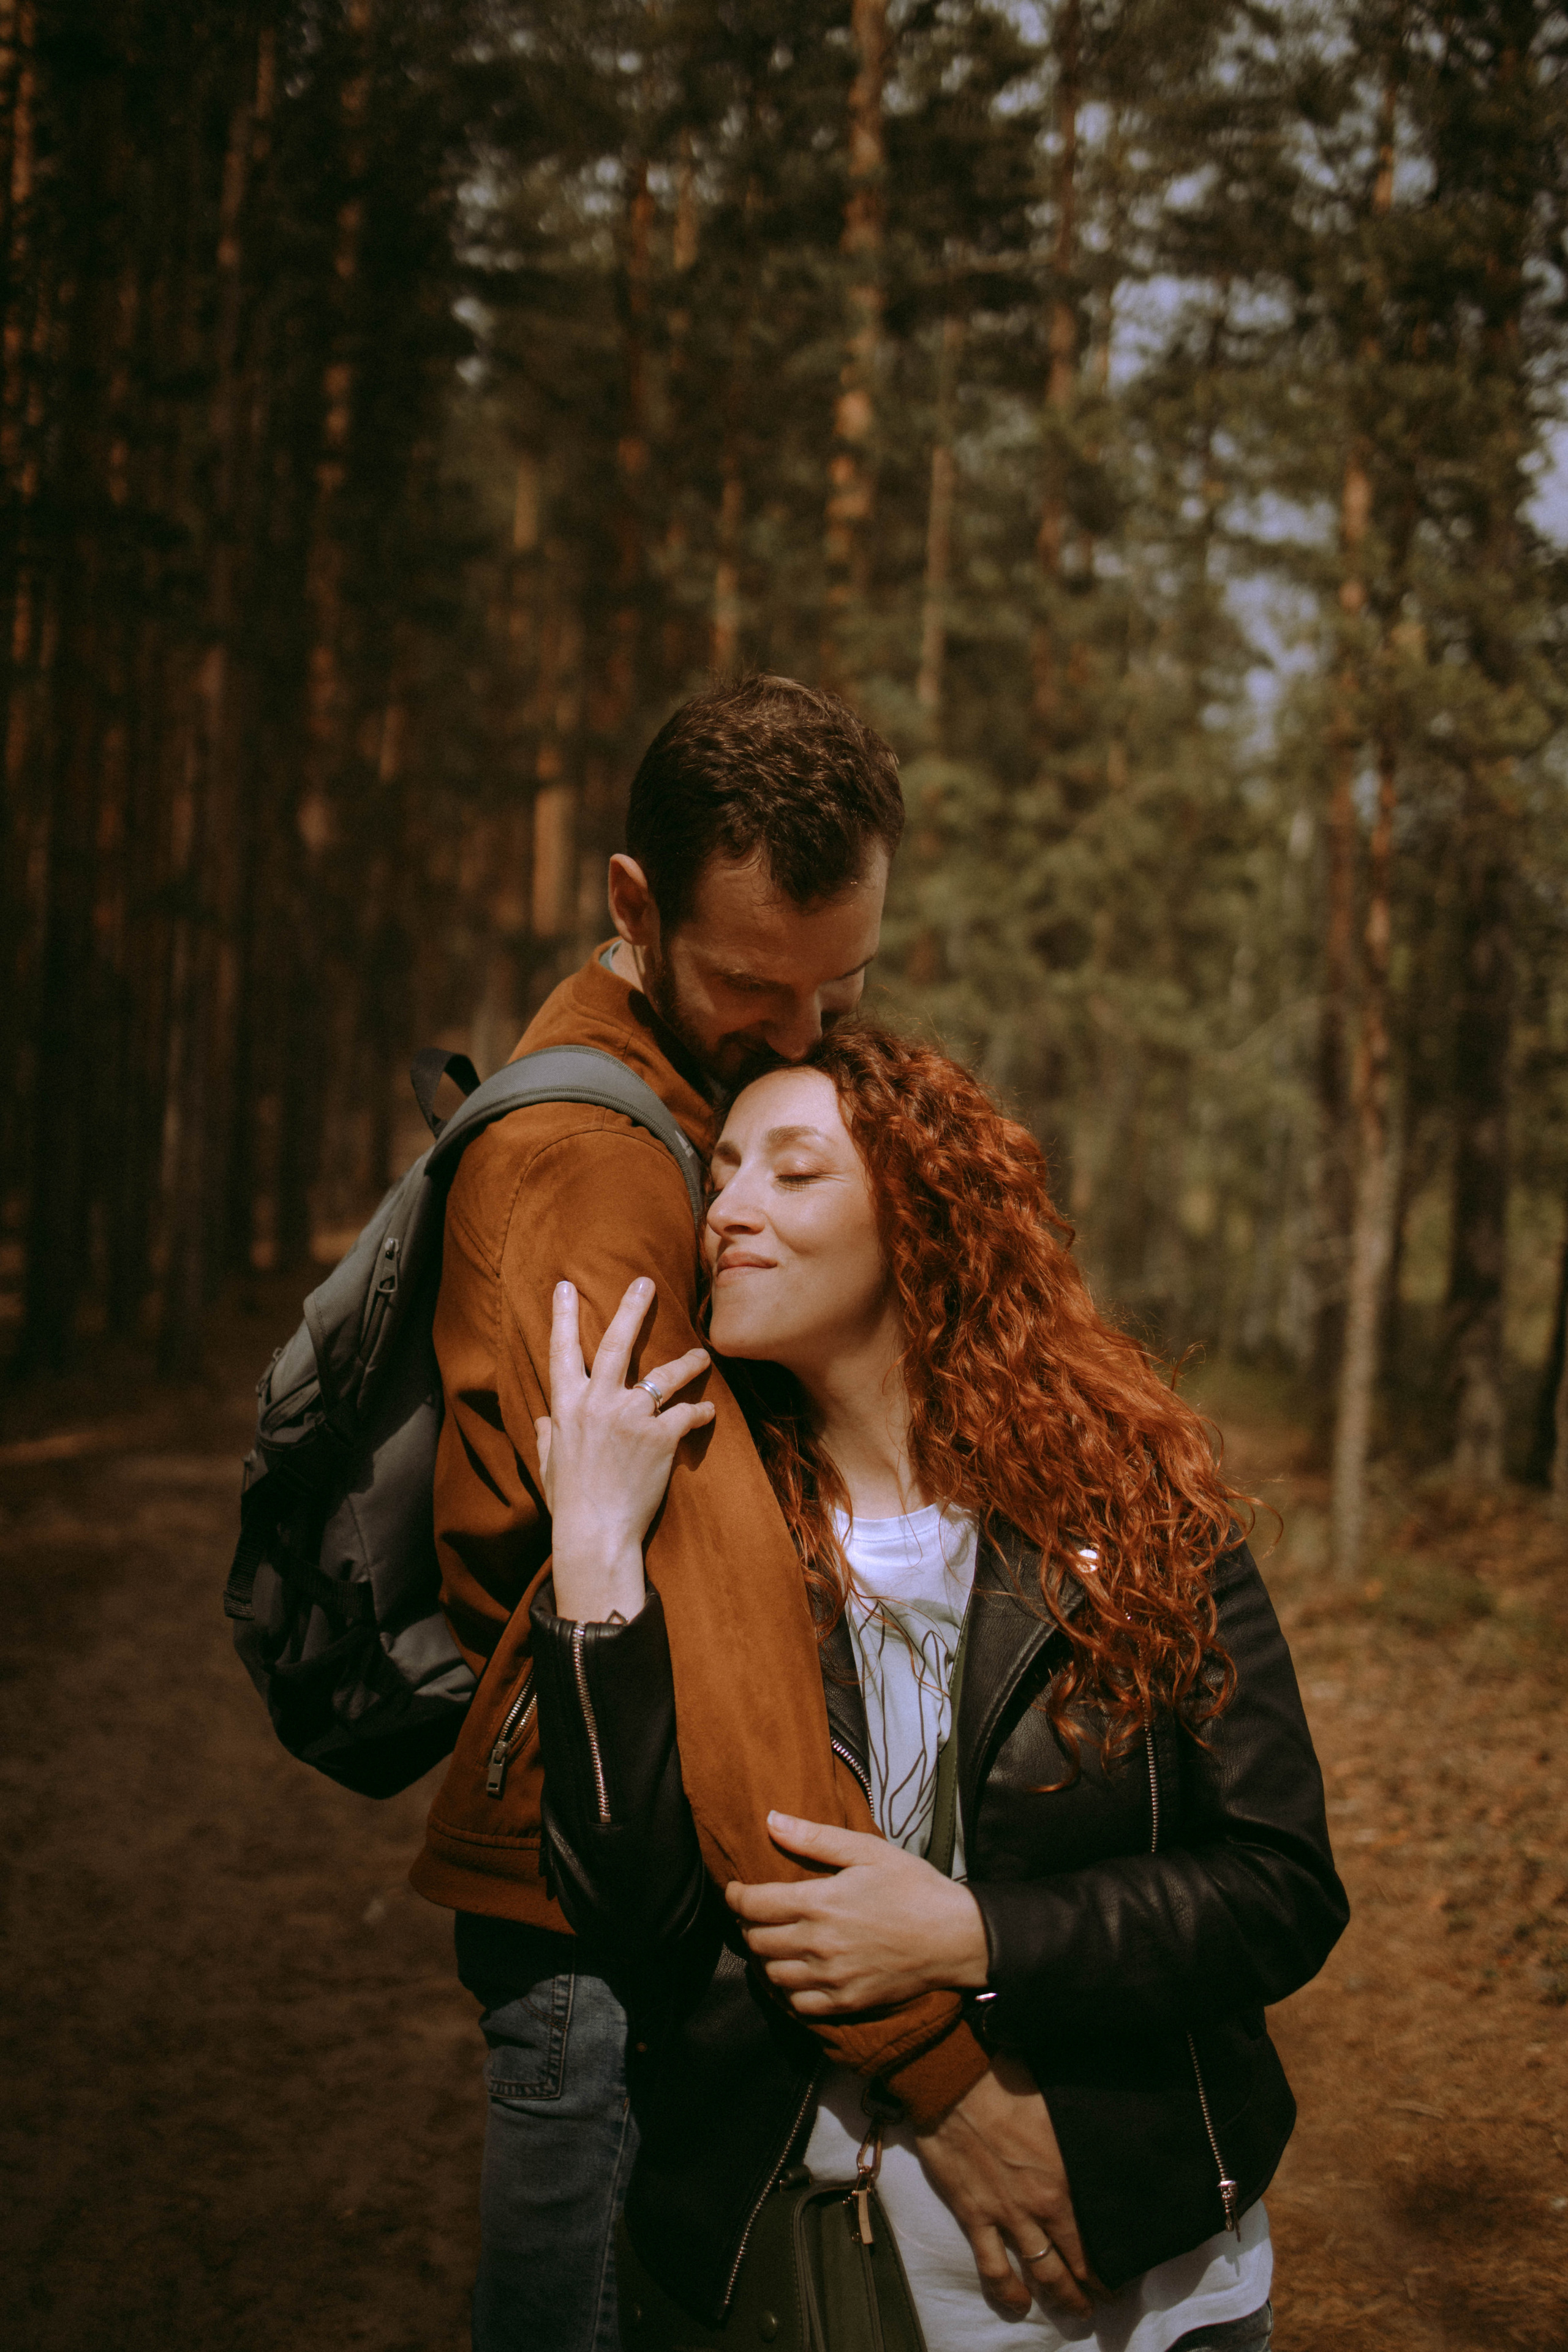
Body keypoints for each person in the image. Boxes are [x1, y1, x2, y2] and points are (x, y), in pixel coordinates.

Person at [526, 1023, 1349, 2352]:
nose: (726, 1212)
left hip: (1155, 2285)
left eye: (791, 1175)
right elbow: (634, 1917)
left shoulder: (1134, 1514)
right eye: (719, 1173)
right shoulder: (704, 1528)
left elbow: (1278, 1889)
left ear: (923, 1221)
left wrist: (973, 1935)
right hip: (821, 2283)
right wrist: (593, 1551)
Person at [412, 679, 1012, 2352]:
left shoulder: (694, 1101)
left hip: (667, 1871)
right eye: (756, 987)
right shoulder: (597, 1166)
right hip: (593, 1930)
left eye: (848, 986)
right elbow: (718, 1604)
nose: (808, 1038)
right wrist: (938, 2070)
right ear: (632, 908)